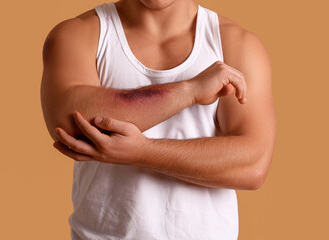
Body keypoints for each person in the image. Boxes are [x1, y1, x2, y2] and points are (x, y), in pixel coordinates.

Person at [40, 0, 275, 239]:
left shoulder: (236, 44)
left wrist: (143, 152)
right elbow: (70, 122)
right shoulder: (78, 34)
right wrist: (189, 91)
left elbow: (252, 164)